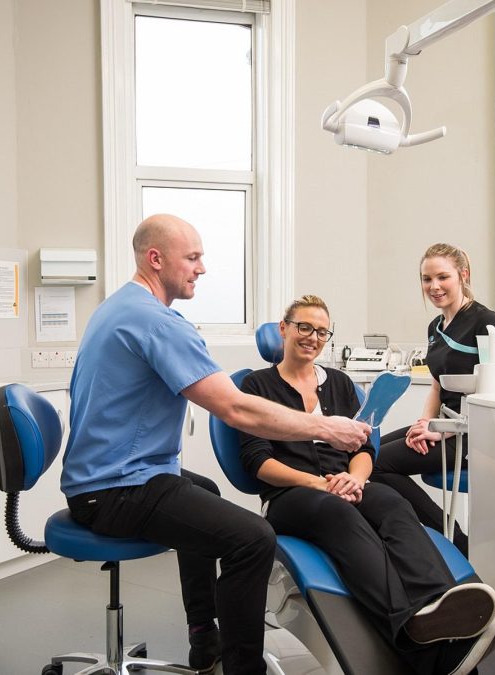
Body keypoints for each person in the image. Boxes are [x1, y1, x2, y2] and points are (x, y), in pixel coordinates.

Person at [61, 214, 373, 675]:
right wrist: (327, 429)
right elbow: (237, 410)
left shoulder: (117, 307)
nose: (201, 268)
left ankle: (203, 637)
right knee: (252, 538)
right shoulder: (158, 323)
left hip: (100, 477)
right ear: (155, 259)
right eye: (192, 258)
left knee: (203, 492)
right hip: (117, 488)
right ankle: (242, 667)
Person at [238, 294, 495, 675]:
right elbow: (258, 463)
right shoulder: (256, 385)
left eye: (321, 331)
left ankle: (439, 609)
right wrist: (319, 484)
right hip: (291, 495)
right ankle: (411, 634)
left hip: (346, 484)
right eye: (304, 327)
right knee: (342, 516)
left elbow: (364, 446)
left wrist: (356, 477)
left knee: (394, 504)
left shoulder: (340, 384)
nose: (312, 337)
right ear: (283, 329)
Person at [371, 243, 495, 556]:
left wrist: (440, 430)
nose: (434, 287)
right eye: (426, 279)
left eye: (442, 277)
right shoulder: (435, 326)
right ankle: (423, 537)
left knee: (375, 466)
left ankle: (454, 541)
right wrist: (424, 423)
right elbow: (436, 388)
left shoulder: (485, 321)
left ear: (463, 276)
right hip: (442, 424)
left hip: (472, 433)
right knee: (368, 450)